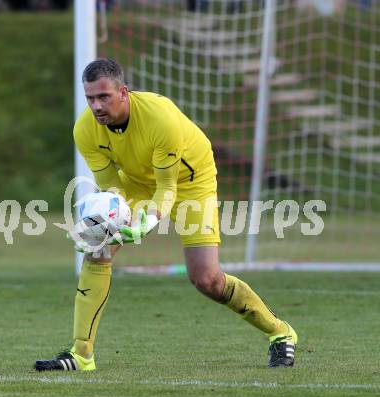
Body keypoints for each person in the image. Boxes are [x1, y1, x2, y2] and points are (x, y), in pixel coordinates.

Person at [34, 58, 297, 372]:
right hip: (137, 181)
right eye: (90, 98)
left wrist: (145, 222)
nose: (96, 106)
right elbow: (111, 187)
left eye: (104, 97)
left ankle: (280, 333)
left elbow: (167, 187)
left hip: (191, 181)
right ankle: (81, 355)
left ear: (123, 93)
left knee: (206, 279)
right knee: (98, 249)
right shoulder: (85, 130)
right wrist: (104, 223)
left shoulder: (160, 118)